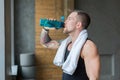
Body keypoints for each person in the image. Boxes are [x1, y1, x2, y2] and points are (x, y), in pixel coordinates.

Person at [40, 10, 100, 80]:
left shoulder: (88, 46)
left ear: (78, 25)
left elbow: (94, 77)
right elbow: (45, 43)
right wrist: (45, 29)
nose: (65, 21)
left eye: (69, 19)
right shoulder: (65, 44)